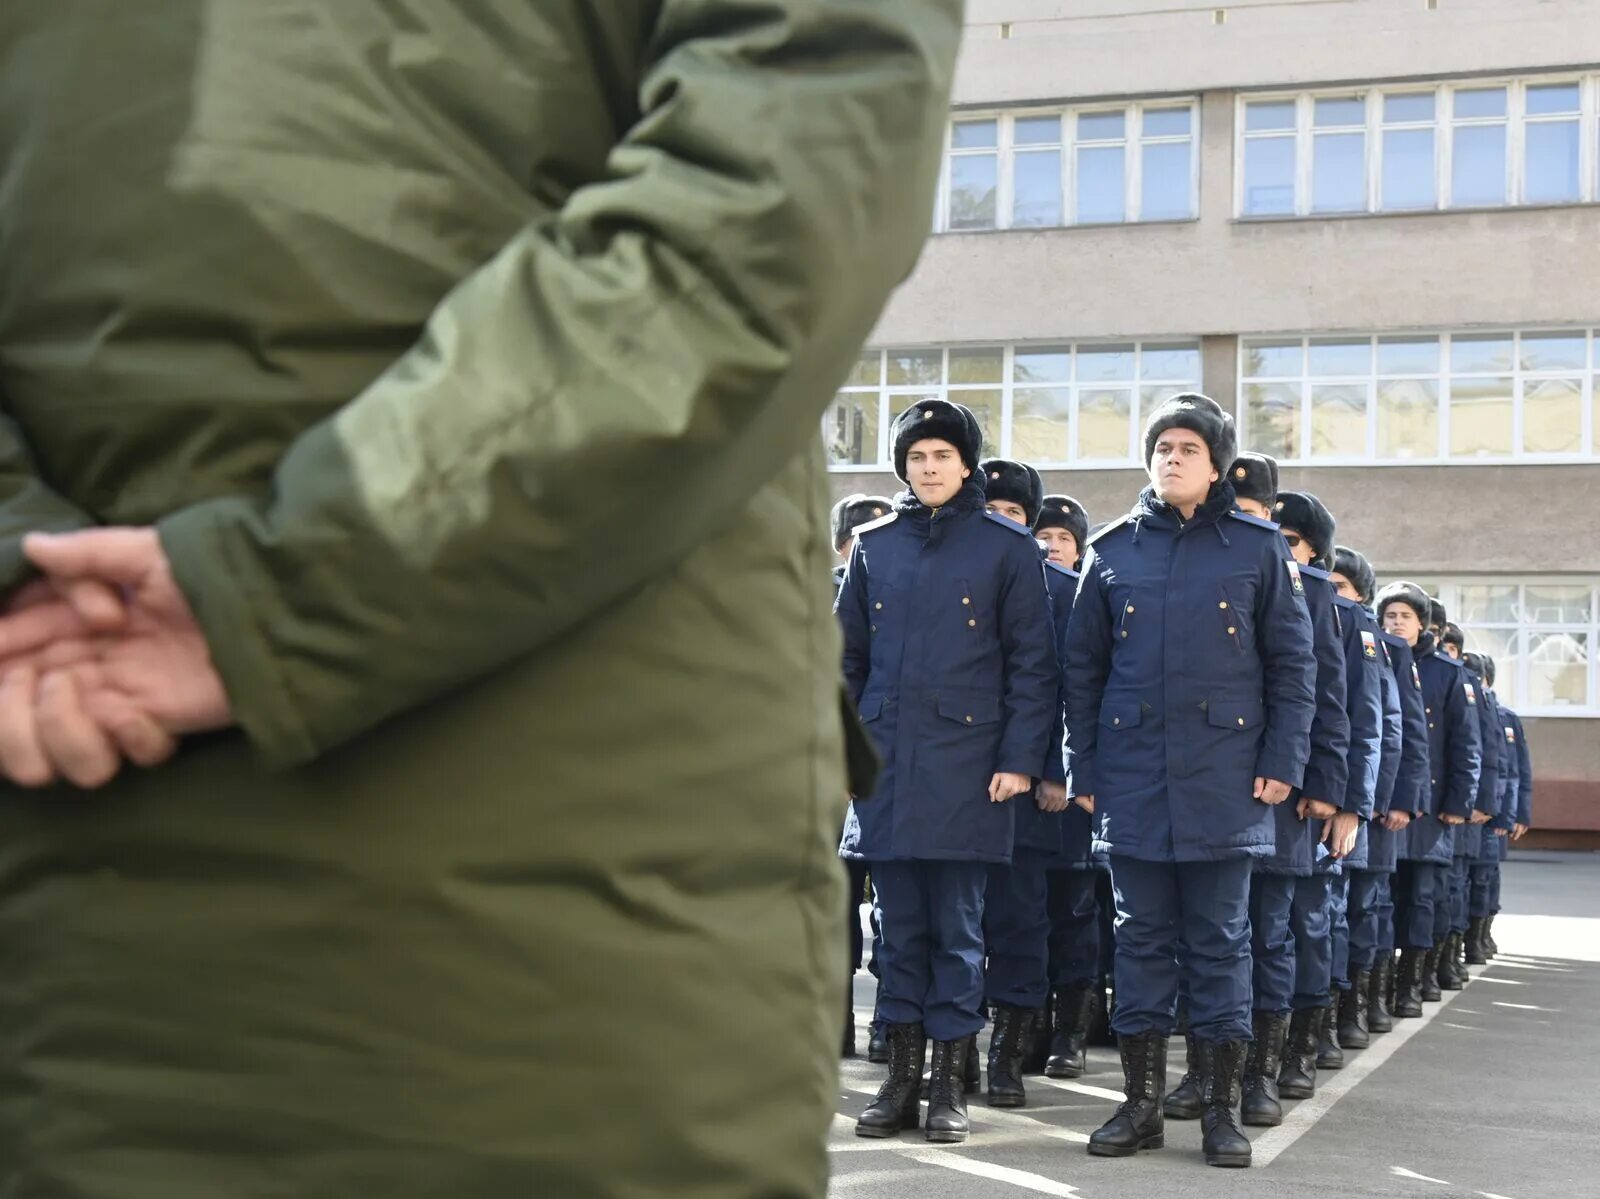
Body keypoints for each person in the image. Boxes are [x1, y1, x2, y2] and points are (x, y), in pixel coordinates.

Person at [0, 6, 963, 1195]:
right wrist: (288, 578)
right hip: (567, 898)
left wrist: (44, 573)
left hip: (100, 747)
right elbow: (794, 170)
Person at [1065, 395, 1315, 1169]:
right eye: (1161, 447)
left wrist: (1282, 761)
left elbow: (1292, 665)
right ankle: (1140, 1105)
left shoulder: (1257, 547)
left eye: (1187, 449)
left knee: (1219, 944)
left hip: (1226, 778)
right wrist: (1086, 770)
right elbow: (1083, 671)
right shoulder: (1112, 551)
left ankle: (1217, 1109)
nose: (1171, 458)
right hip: (1135, 779)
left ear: (1214, 466)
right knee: (1138, 941)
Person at [840, 401, 1057, 1144]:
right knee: (896, 933)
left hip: (971, 772)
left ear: (967, 464)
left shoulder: (1007, 547)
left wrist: (1020, 760)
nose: (928, 468)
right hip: (889, 769)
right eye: (917, 456)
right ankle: (897, 1081)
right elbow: (845, 661)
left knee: (959, 935)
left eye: (941, 455)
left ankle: (945, 1086)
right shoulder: (874, 546)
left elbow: (1034, 666)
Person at [975, 458, 1062, 1108]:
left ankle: (1006, 1058)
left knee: (1021, 925)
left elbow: (1069, 685)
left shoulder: (1061, 587)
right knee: (954, 922)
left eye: (1013, 513)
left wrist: (1054, 769)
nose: (1001, 522)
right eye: (992, 510)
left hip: (1029, 793)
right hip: (958, 780)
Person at [1376, 583, 1482, 1019]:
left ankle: (1411, 983)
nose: (1396, 623)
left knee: (1421, 897)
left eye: (1405, 616)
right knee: (1380, 899)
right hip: (1383, 801)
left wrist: (1459, 801)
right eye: (1390, 616)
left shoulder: (1448, 672)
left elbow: (1465, 744)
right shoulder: (1372, 656)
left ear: (1423, 624)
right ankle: (1377, 987)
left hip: (1430, 804)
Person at [1328, 546, 1410, 1047]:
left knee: (1353, 913)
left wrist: (1374, 802)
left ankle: (1350, 1009)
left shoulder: (1377, 646)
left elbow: (1387, 729)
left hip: (1354, 806)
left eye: (1341, 588)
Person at [831, 493, 892, 1058]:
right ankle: (838, 1018)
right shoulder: (816, 597)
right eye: (854, 541)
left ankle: (888, 1024)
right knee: (835, 905)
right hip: (832, 780)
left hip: (890, 771)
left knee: (894, 907)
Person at [1035, 495, 1091, 571]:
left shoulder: (1091, 583)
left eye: (1064, 539)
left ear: (1077, 553)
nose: (1054, 547)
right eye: (1045, 538)